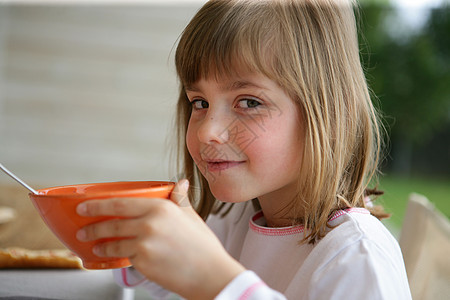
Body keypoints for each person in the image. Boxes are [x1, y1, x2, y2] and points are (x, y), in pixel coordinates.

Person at [75, 0, 412, 299]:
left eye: (249, 102)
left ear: (330, 114)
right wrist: (131, 243)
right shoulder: (234, 217)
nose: (208, 130)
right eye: (200, 102)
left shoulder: (358, 259)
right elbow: (180, 279)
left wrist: (218, 282)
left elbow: (207, 283)